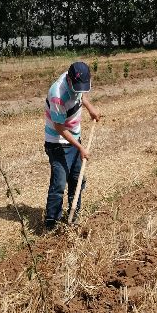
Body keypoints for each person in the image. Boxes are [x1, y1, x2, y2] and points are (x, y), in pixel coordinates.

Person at [43, 61, 101, 230]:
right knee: (59, 184)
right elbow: (59, 127)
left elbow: (80, 95)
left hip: (74, 138)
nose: (79, 89)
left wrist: (90, 108)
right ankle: (51, 224)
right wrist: (80, 148)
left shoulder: (76, 82)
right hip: (57, 142)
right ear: (69, 80)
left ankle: (73, 216)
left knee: (77, 179)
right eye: (76, 87)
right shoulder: (57, 95)